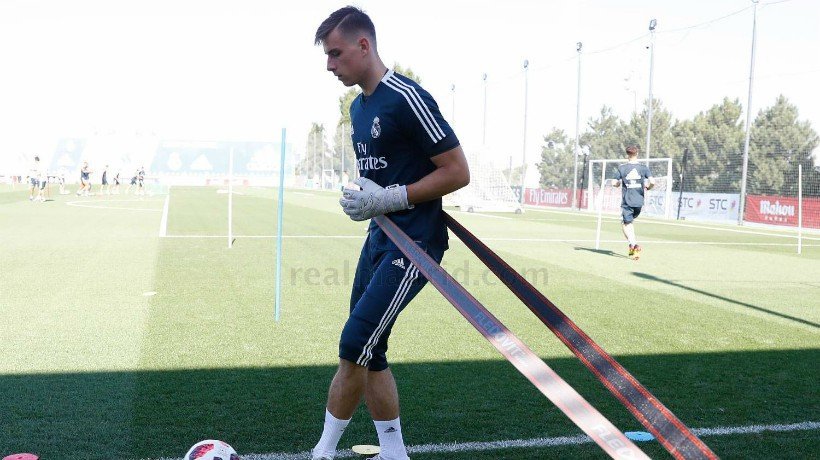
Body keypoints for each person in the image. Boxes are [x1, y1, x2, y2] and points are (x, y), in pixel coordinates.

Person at [311, 7, 470, 460]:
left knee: (354, 342)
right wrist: (366, 199)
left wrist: (389, 198)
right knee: (371, 350)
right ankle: (395, 453)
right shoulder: (358, 108)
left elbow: (458, 172)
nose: (329, 64)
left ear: (364, 46)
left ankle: (321, 453)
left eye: (336, 53)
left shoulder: (405, 97)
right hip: (380, 239)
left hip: (416, 242)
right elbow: (382, 179)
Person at [610, 145, 654, 260]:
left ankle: (634, 245)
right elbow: (652, 181)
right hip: (639, 202)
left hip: (627, 201)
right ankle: (633, 250)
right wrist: (648, 187)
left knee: (625, 224)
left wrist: (618, 184)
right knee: (629, 223)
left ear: (627, 154)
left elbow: (613, 182)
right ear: (637, 153)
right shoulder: (643, 167)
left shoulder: (622, 168)